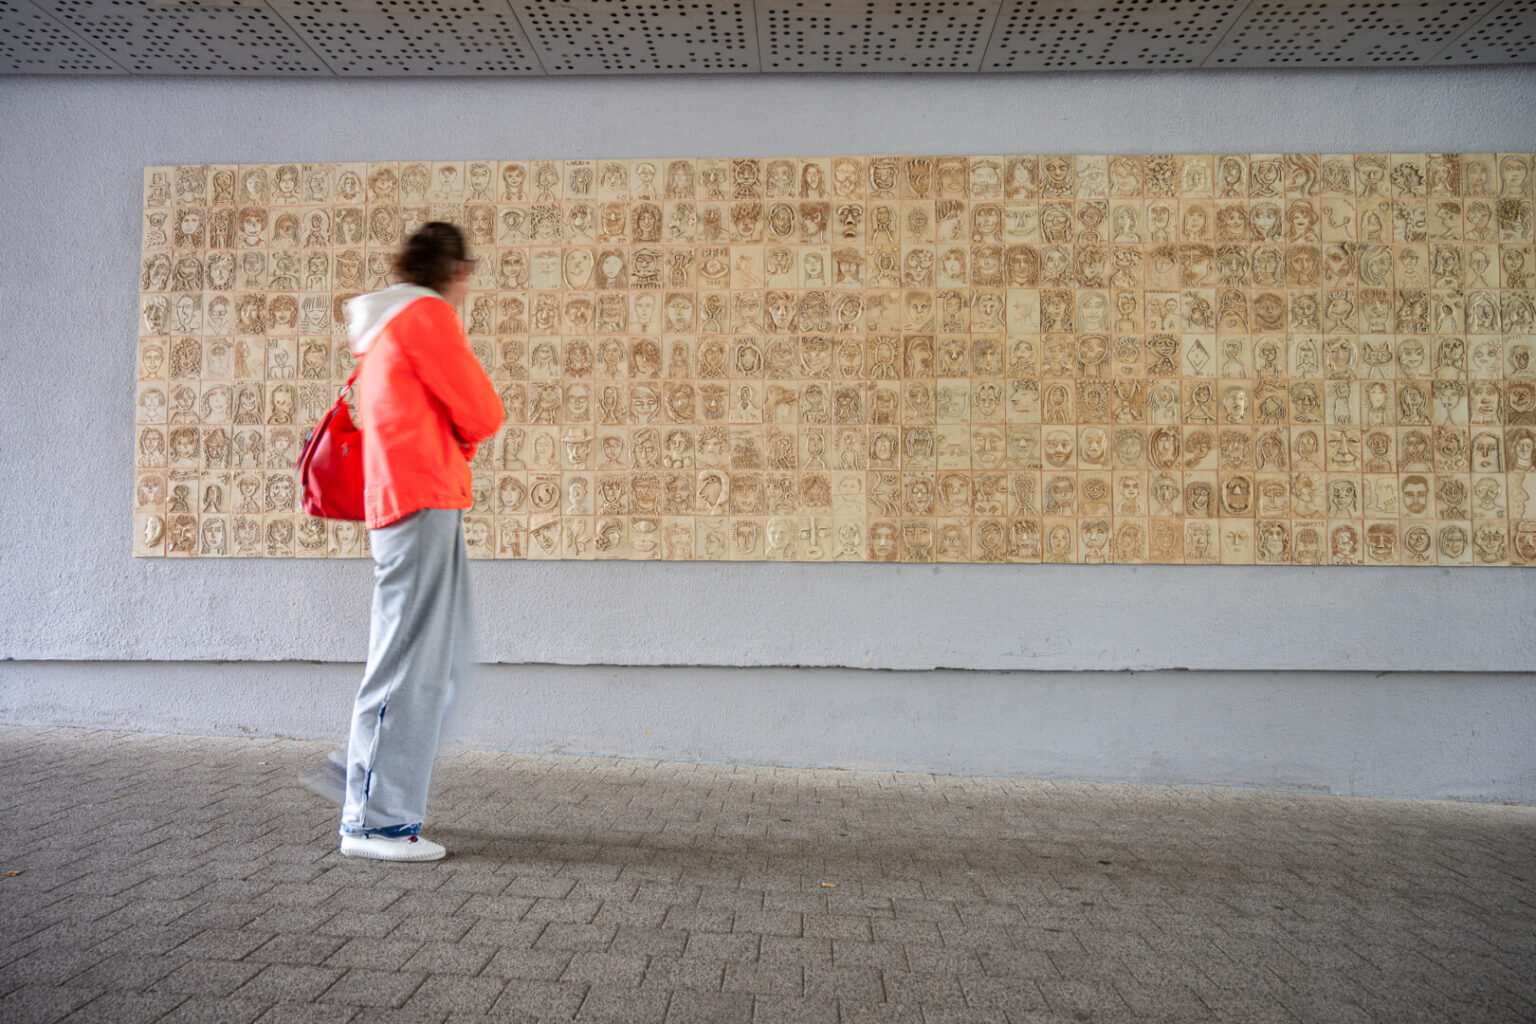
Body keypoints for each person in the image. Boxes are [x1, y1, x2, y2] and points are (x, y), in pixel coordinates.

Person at [305, 222, 503, 862]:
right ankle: (371, 819)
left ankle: (361, 776)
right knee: (412, 662)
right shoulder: (425, 316)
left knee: (432, 661)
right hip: (420, 502)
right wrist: (464, 438)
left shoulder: (390, 324)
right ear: (455, 270)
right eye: (467, 271)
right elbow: (482, 411)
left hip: (413, 500)